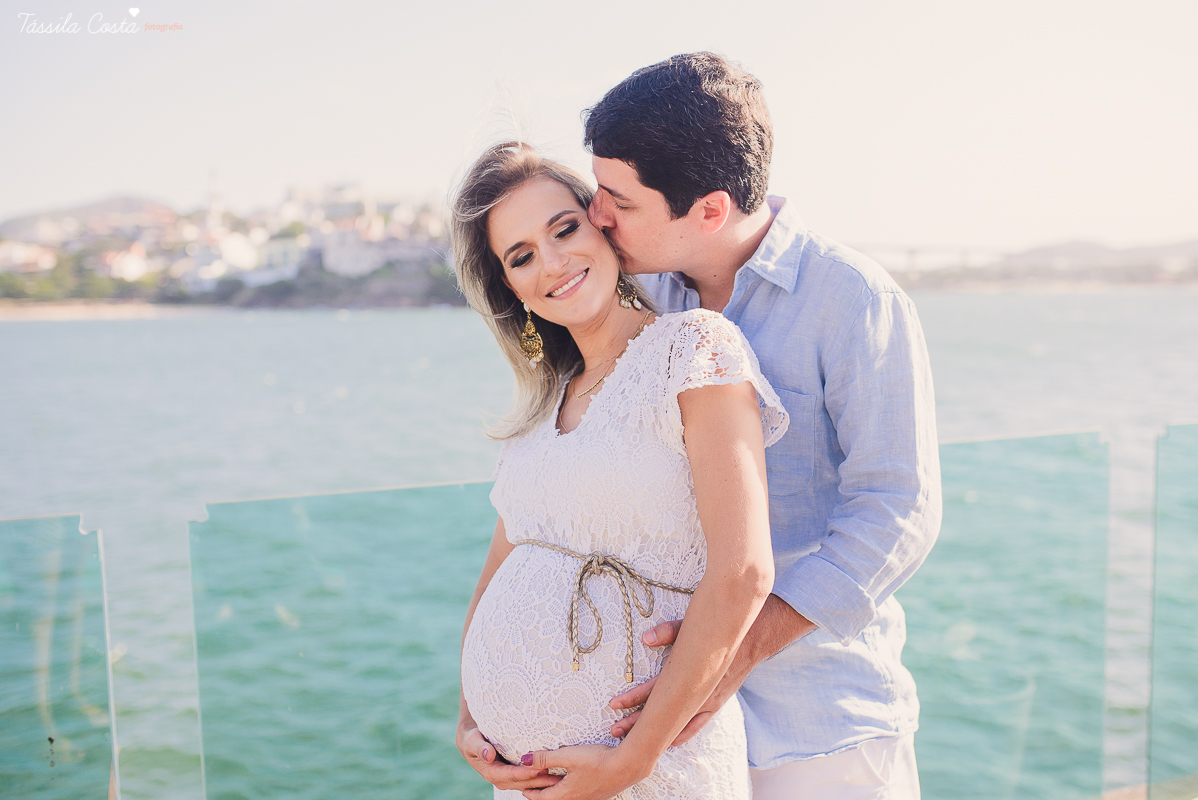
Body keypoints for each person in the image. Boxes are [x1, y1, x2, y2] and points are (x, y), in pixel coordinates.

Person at [581, 53, 943, 799]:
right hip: (668, 723)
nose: (596, 216)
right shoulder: (640, 296)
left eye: (619, 200)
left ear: (710, 210)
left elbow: (899, 509)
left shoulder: (855, 299)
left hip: (822, 729)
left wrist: (739, 648)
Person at [451, 142, 790, 799]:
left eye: (564, 229)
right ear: (511, 288)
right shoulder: (543, 406)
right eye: (521, 256)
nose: (553, 262)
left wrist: (633, 759)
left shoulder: (693, 349)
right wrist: (471, 718)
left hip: (651, 769)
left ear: (602, 225)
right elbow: (495, 575)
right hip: (523, 781)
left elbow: (744, 572)